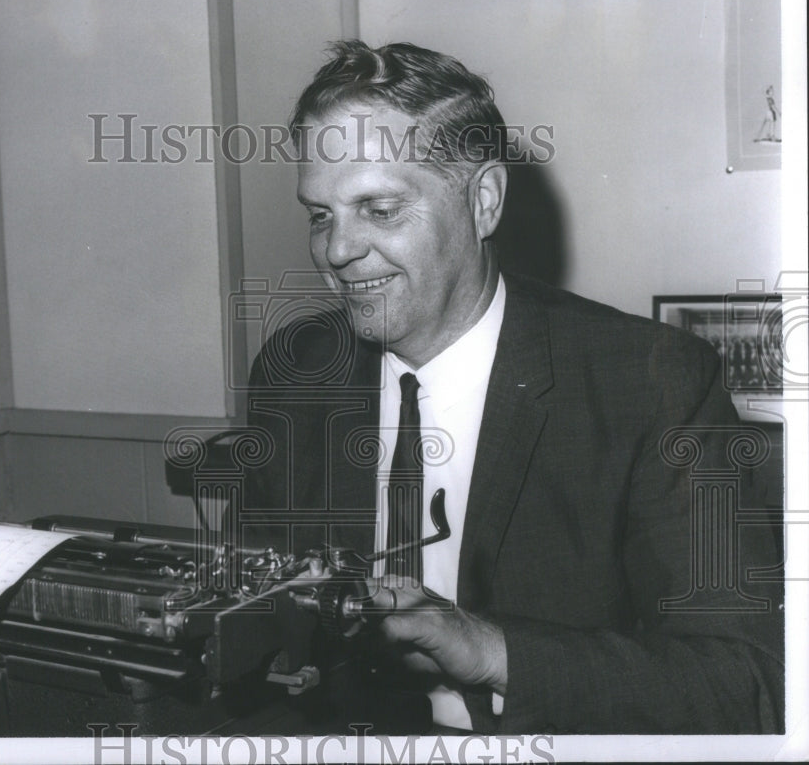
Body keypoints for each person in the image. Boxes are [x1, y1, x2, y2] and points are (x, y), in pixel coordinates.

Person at [240, 40, 783, 734]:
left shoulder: (653, 383)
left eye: (378, 209)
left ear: (484, 201)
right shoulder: (295, 371)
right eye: (321, 214)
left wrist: (491, 649)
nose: (337, 252)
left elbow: (750, 684)